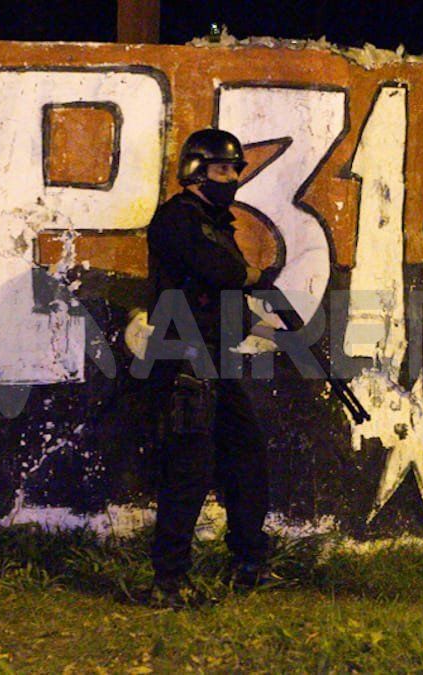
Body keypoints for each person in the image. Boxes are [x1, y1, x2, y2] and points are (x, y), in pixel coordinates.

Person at [140, 128, 280, 608]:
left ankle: (248, 563)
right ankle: (168, 582)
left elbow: (226, 290)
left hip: (215, 359)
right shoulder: (176, 219)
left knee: (247, 457)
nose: (233, 177)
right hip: (181, 358)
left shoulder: (217, 221)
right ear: (196, 171)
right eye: (223, 169)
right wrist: (254, 276)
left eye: (235, 169)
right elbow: (219, 271)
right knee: (189, 470)